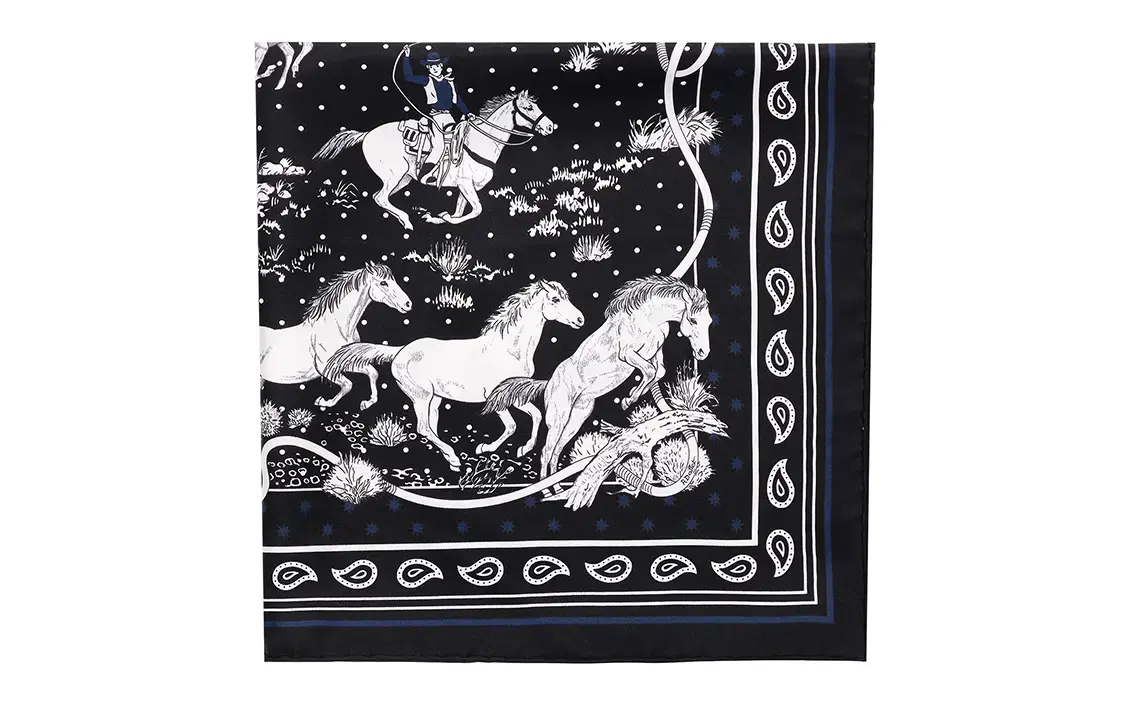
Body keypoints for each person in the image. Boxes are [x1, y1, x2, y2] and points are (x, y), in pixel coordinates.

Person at [402, 46, 476, 185]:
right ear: (428, 68)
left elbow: (457, 100)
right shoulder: (427, 80)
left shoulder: (450, 82)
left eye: (437, 65)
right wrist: (407, 57)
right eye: (431, 66)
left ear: (441, 66)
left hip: (449, 116)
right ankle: (425, 174)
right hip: (435, 117)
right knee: (438, 145)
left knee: (460, 138)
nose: (434, 68)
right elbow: (409, 77)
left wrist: (468, 113)